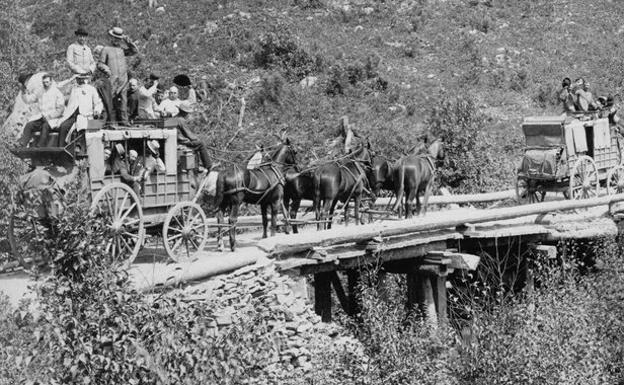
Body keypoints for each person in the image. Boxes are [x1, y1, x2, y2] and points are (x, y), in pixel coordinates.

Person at [98, 27, 138, 125]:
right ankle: (107, 121)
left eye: (119, 39)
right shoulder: (106, 49)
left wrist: (128, 41)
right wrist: (106, 69)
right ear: (111, 38)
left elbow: (134, 51)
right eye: (115, 38)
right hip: (112, 80)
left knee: (123, 102)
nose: (117, 40)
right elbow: (100, 63)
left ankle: (124, 121)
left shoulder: (122, 50)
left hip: (123, 80)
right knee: (109, 101)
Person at [55, 73, 103, 146]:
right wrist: (70, 79)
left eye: (82, 78)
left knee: (81, 130)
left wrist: (97, 110)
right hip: (72, 116)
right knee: (63, 126)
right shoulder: (73, 88)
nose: (80, 80)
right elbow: (58, 86)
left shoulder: (91, 89)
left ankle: (78, 149)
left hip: (85, 116)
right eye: (78, 78)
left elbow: (98, 103)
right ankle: (61, 149)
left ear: (85, 79)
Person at [19, 73, 65, 148]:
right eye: (43, 82)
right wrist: (23, 91)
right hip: (41, 117)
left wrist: (50, 116)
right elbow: (29, 100)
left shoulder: (57, 93)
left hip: (53, 119)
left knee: (45, 126)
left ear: (51, 82)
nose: (45, 84)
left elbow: (60, 110)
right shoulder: (40, 92)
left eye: (47, 82)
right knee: (29, 125)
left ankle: (40, 146)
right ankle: (22, 144)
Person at [175, 103, 212, 170]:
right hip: (182, 142)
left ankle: (197, 166)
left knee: (197, 144)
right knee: (201, 144)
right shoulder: (181, 120)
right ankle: (208, 165)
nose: (188, 115)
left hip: (178, 141)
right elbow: (188, 134)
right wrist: (197, 139)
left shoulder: (175, 117)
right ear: (184, 113)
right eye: (187, 113)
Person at [92, 45, 114, 123]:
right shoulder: (98, 63)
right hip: (101, 84)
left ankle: (109, 121)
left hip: (103, 83)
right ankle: (108, 120)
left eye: (96, 54)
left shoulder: (101, 63)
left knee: (105, 103)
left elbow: (108, 73)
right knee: (104, 103)